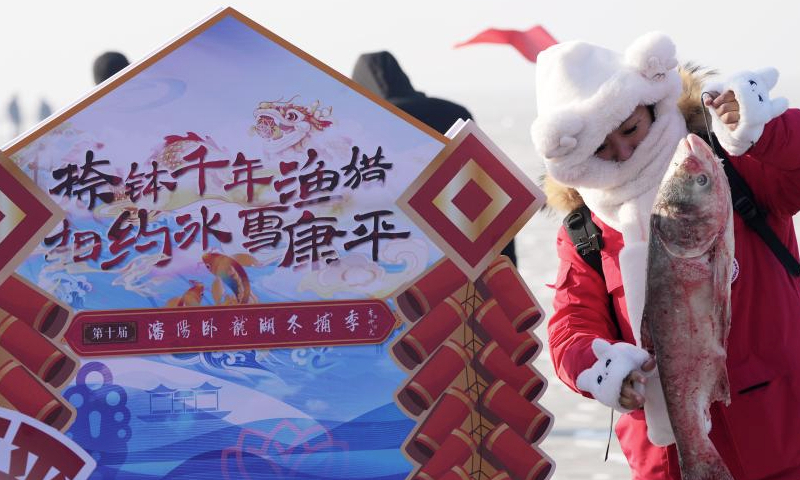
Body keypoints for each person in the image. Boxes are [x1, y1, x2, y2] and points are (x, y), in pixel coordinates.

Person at [531, 32, 800, 479]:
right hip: (666, 462)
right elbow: (570, 327)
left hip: (782, 443)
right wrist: (600, 366)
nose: (622, 152)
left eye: (630, 129)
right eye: (601, 146)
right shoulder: (586, 230)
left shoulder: (729, 163)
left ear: (654, 107)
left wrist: (767, 130)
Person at [351, 51, 518, 265]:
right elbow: (488, 189)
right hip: (469, 239)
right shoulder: (454, 113)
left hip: (398, 252)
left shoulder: (363, 125)